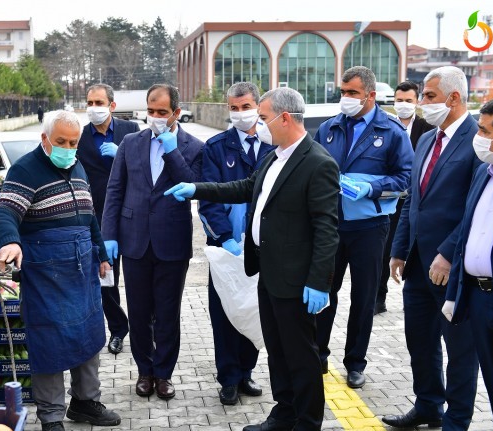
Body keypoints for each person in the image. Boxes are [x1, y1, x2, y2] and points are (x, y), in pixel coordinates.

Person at [166, 87, 340, 431]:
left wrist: (320, 282)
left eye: (263, 117)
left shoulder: (318, 163)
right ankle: (285, 411)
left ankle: (307, 422)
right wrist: (197, 189)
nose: (258, 125)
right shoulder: (274, 157)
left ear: (285, 118)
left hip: (297, 281)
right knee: (277, 350)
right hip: (268, 274)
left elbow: (327, 229)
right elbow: (244, 187)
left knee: (302, 356)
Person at [0, 110, 120, 431]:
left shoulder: (76, 165)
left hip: (82, 271)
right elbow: (5, 210)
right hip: (45, 274)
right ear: (44, 139)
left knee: (89, 337)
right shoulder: (25, 170)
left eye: (73, 142)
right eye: (60, 141)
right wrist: (9, 241)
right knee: (48, 343)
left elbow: (89, 215)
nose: (67, 147)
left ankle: (85, 402)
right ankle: (51, 417)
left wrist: (101, 253)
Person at [385, 66, 481, 430]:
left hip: (453, 267)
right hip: (418, 264)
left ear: (454, 98)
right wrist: (398, 249)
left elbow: (474, 208)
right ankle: (428, 405)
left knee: (459, 350)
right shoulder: (426, 139)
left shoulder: (478, 141)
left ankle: (457, 419)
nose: (422, 104)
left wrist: (447, 251)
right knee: (420, 341)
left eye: (428, 97)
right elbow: (414, 200)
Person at [314, 66, 414, 389]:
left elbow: (405, 179)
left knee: (363, 296)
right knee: (324, 292)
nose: (346, 99)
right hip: (331, 224)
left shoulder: (392, 132)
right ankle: (317, 354)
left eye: (353, 93)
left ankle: (355, 362)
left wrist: (371, 187)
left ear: (370, 95)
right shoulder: (329, 128)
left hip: (370, 227)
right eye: (343, 92)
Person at [101, 84, 203, 400]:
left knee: (168, 313)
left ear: (176, 112)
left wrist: (171, 149)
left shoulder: (193, 146)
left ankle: (164, 374)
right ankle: (145, 370)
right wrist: (109, 235)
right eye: (151, 111)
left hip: (172, 241)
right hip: (134, 242)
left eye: (162, 112)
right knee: (141, 311)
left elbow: (193, 184)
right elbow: (115, 190)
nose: (156, 118)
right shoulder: (130, 143)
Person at [199, 81, 272, 405]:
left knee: (255, 312)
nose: (240, 114)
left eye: (246, 107)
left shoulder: (273, 146)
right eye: (234, 108)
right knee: (225, 313)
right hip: (226, 249)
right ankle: (228, 378)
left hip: (264, 247)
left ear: (258, 107)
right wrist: (226, 238)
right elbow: (208, 200)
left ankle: (246, 372)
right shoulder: (215, 147)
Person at [444, 96, 493, 430]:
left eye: (485, 130)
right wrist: (455, 294)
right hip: (479, 299)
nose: (477, 137)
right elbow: (468, 234)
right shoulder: (484, 173)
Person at [77, 84, 139, 355]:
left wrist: (125, 155)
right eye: (90, 102)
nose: (94, 108)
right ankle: (118, 329)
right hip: (99, 219)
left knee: (138, 278)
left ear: (112, 105)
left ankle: (144, 327)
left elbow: (147, 169)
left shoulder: (131, 131)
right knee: (106, 279)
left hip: (132, 216)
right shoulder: (79, 138)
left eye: (99, 102)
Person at [375, 81, 435, 314]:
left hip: (415, 199)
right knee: (384, 250)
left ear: (417, 101)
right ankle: (379, 297)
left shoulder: (427, 128)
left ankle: (417, 294)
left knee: (413, 248)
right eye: (399, 101)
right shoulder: (387, 126)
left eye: (408, 101)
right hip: (389, 198)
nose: (403, 105)